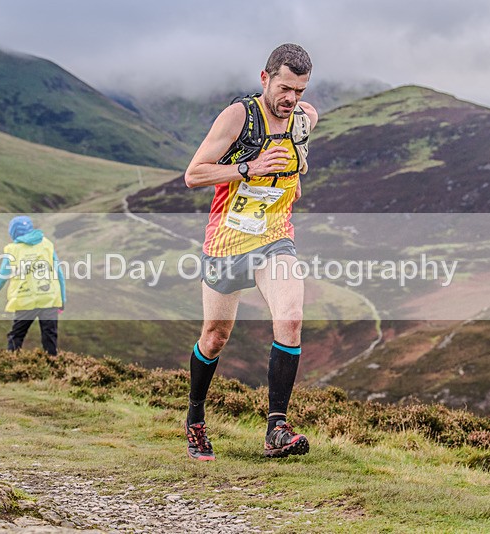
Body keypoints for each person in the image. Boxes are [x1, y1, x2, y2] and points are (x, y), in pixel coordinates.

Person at [182, 43, 318, 461]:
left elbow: (297, 166)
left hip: (275, 238)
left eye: (299, 90)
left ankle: (276, 428)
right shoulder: (239, 117)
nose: (290, 99)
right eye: (284, 88)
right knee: (215, 336)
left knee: (290, 317)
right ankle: (195, 418)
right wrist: (248, 168)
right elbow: (194, 175)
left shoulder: (305, 120)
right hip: (227, 242)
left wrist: (292, 175)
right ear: (265, 78)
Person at [0, 216, 66, 355]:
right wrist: (62, 300)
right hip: (49, 298)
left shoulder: (13, 250)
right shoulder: (47, 244)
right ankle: (52, 366)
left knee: (16, 337)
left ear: (13, 232)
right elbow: (59, 273)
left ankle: (11, 364)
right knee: (50, 337)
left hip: (25, 299)